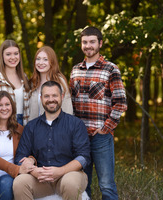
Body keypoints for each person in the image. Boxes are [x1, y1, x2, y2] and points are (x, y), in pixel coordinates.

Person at [69, 26, 127, 199]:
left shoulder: (111, 69)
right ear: (81, 44)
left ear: (100, 43)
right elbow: (70, 104)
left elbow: (121, 103)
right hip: (79, 139)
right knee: (82, 185)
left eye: (92, 42)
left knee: (106, 186)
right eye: (85, 42)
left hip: (101, 137)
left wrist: (105, 128)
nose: (88, 46)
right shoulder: (75, 70)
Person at [13, 81, 90, 200]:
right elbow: (19, 158)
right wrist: (34, 171)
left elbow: (83, 157)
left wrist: (61, 171)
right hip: (40, 179)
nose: (51, 99)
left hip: (69, 174)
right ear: (41, 98)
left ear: (62, 97)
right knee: (19, 182)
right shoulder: (31, 126)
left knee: (70, 183)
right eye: (46, 96)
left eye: (54, 95)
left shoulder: (75, 124)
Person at [0, 39, 30, 126]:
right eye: (8, 54)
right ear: (2, 56)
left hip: (25, 124)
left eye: (16, 53)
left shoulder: (24, 78)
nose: (13, 57)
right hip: (4, 126)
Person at [29, 46, 73, 121]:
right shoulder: (33, 83)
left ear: (52, 62)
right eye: (38, 59)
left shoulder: (59, 82)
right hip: (34, 129)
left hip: (55, 129)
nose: (41, 62)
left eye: (45, 59)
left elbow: (68, 109)